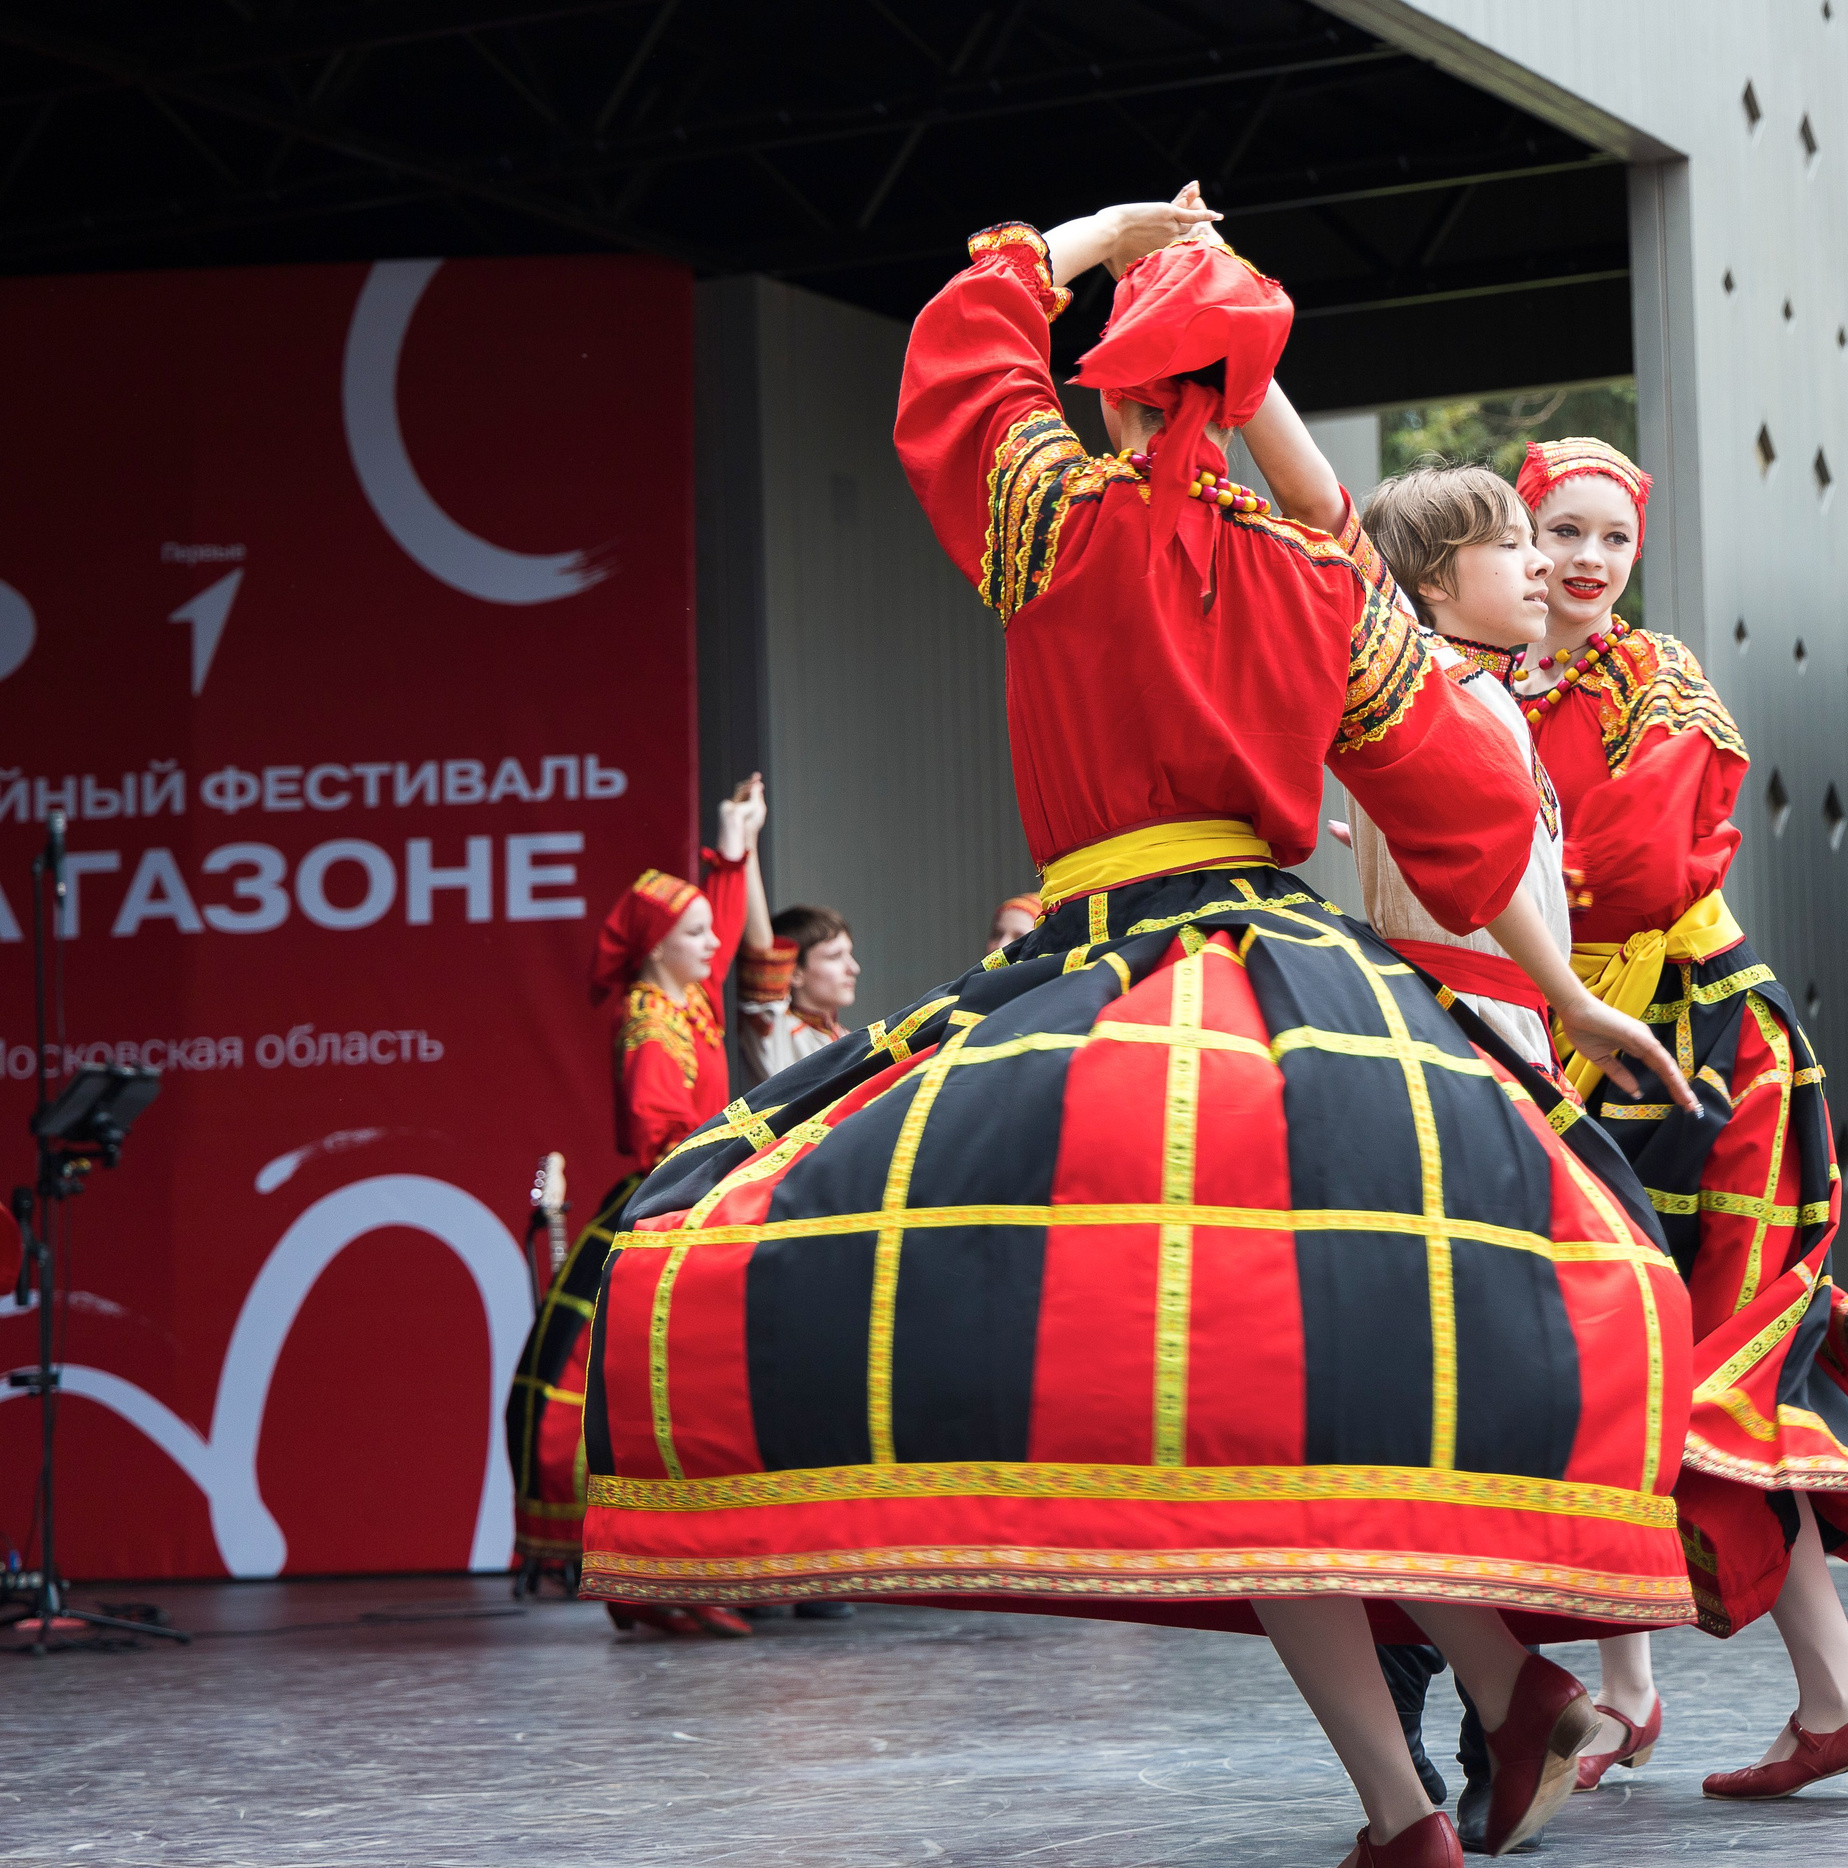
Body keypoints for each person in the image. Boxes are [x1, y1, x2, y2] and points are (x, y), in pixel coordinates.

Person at [575, 197, 1708, 1867]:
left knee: (1217, 1399)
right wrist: (1585, 994)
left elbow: (955, 366)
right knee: (1295, 1394)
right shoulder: (1322, 583)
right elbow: (1469, 814)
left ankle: (1428, 1777)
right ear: (1246, 397)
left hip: (1114, 982)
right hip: (1307, 1007)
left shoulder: (1050, 512)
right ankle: (1484, 1692)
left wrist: (1097, 232)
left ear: (1111, 393)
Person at [1506, 436, 1848, 1801]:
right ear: (1522, 539)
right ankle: (1663, 1690)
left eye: (1613, 537)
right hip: (1576, 1045)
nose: (1591, 559)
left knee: (1697, 1374)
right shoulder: (1495, 680)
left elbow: (1644, 864)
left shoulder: (1658, 679)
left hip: (1697, 1052)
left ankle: (1797, 1697)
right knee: (1616, 1370)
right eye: (1565, 531)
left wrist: (1502, 895)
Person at [1231, 426, 1584, 1834]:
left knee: (1353, 1429)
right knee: (1395, 1416)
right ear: (1430, 588)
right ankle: (1484, 1712)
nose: (1545, 561)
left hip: (1483, 1062)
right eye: (1512, 545)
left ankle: (1452, 1743)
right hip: (1453, 1062)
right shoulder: (1428, 699)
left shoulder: (1479, 700)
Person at [505, 774, 771, 1641]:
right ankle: (647, 1572)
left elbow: (725, 939)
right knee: (653, 1398)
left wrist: (735, 849)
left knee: (685, 1401)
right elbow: (666, 1141)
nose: (711, 949)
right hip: (671, 1214)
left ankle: (666, 1572)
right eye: (691, 934)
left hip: (693, 1205)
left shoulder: (684, 998)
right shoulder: (651, 1027)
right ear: (659, 947)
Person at [742, 903, 862, 1078]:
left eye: (850, 954)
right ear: (795, 972)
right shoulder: (778, 1032)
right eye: (834, 957)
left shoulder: (847, 1036)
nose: (853, 968)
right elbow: (762, 956)